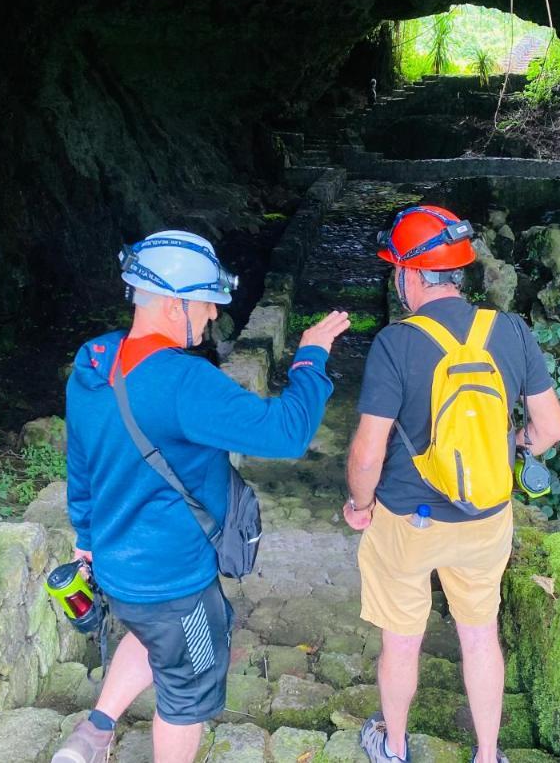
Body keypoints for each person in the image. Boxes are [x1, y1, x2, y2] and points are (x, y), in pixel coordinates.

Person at [53, 229, 350, 763]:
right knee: (186, 692)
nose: (214, 316)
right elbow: (286, 433)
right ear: (173, 304)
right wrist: (311, 359)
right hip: (175, 583)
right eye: (208, 304)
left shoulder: (93, 362)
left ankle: (95, 732)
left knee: (149, 636)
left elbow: (80, 461)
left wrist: (85, 537)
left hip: (117, 568)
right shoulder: (184, 382)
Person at [343, 206, 560, 763]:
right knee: (478, 634)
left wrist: (359, 504)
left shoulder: (397, 344)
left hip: (406, 518)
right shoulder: (510, 330)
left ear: (412, 276)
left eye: (396, 267)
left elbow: (368, 450)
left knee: (401, 638)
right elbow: (552, 429)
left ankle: (394, 747)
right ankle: (488, 755)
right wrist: (512, 447)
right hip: (486, 519)